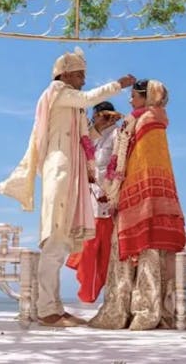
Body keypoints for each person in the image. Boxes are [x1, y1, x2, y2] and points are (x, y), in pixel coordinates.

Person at [0, 48, 135, 327]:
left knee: (60, 243)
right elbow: (86, 97)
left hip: (70, 173)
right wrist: (118, 85)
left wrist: (98, 127)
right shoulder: (57, 91)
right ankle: (46, 310)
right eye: (80, 74)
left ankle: (54, 307)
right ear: (65, 74)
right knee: (55, 239)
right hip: (59, 172)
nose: (84, 79)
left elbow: (83, 140)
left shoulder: (72, 104)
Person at [89, 79, 186, 330]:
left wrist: (128, 191)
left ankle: (141, 310)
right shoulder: (143, 119)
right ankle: (138, 310)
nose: (130, 100)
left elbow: (144, 161)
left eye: (134, 96)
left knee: (142, 248)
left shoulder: (147, 121)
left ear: (147, 98)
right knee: (142, 249)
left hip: (142, 193)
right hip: (142, 193)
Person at [65, 101, 122, 303]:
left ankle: (105, 297)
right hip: (88, 200)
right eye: (100, 115)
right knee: (87, 251)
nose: (103, 118)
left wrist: (113, 192)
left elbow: (118, 166)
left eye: (107, 115)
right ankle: (86, 298)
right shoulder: (88, 134)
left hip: (107, 201)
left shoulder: (118, 134)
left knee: (105, 254)